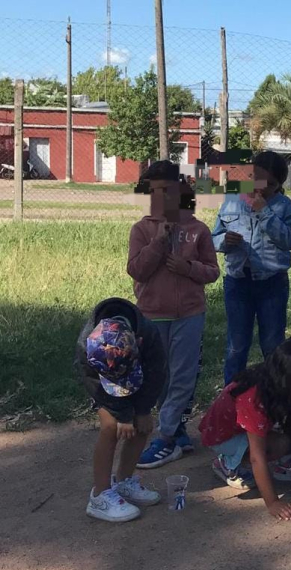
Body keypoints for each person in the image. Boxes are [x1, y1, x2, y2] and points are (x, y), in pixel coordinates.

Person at [127, 161, 220, 469]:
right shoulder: (141, 229)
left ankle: (165, 438)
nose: (159, 198)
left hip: (189, 315)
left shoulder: (198, 230)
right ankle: (177, 430)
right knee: (158, 377)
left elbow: (212, 272)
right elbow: (137, 269)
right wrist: (159, 241)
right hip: (152, 314)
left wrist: (188, 268)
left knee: (183, 376)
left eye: (165, 191)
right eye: (152, 192)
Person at [199, 335, 291, 520]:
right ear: (284, 380)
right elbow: (257, 457)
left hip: (246, 427)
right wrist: (273, 502)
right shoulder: (254, 397)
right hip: (222, 436)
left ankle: (276, 462)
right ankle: (228, 464)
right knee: (280, 444)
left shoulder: (278, 384)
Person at [211, 151, 291, 385]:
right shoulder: (232, 201)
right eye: (257, 180)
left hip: (272, 283)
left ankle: (275, 396)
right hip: (238, 281)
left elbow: (290, 239)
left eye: (270, 184)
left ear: (280, 184)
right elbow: (213, 237)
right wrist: (223, 242)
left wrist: (265, 212)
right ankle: (231, 398)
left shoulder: (283, 206)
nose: (261, 188)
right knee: (236, 345)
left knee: (272, 344)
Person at [76, 297, 167, 522]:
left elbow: (157, 374)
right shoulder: (86, 345)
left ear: (138, 341)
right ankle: (99, 496)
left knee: (143, 425)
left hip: (140, 377)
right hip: (103, 386)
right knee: (111, 427)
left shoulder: (149, 333)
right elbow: (94, 383)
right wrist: (123, 415)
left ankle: (124, 481)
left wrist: (142, 409)